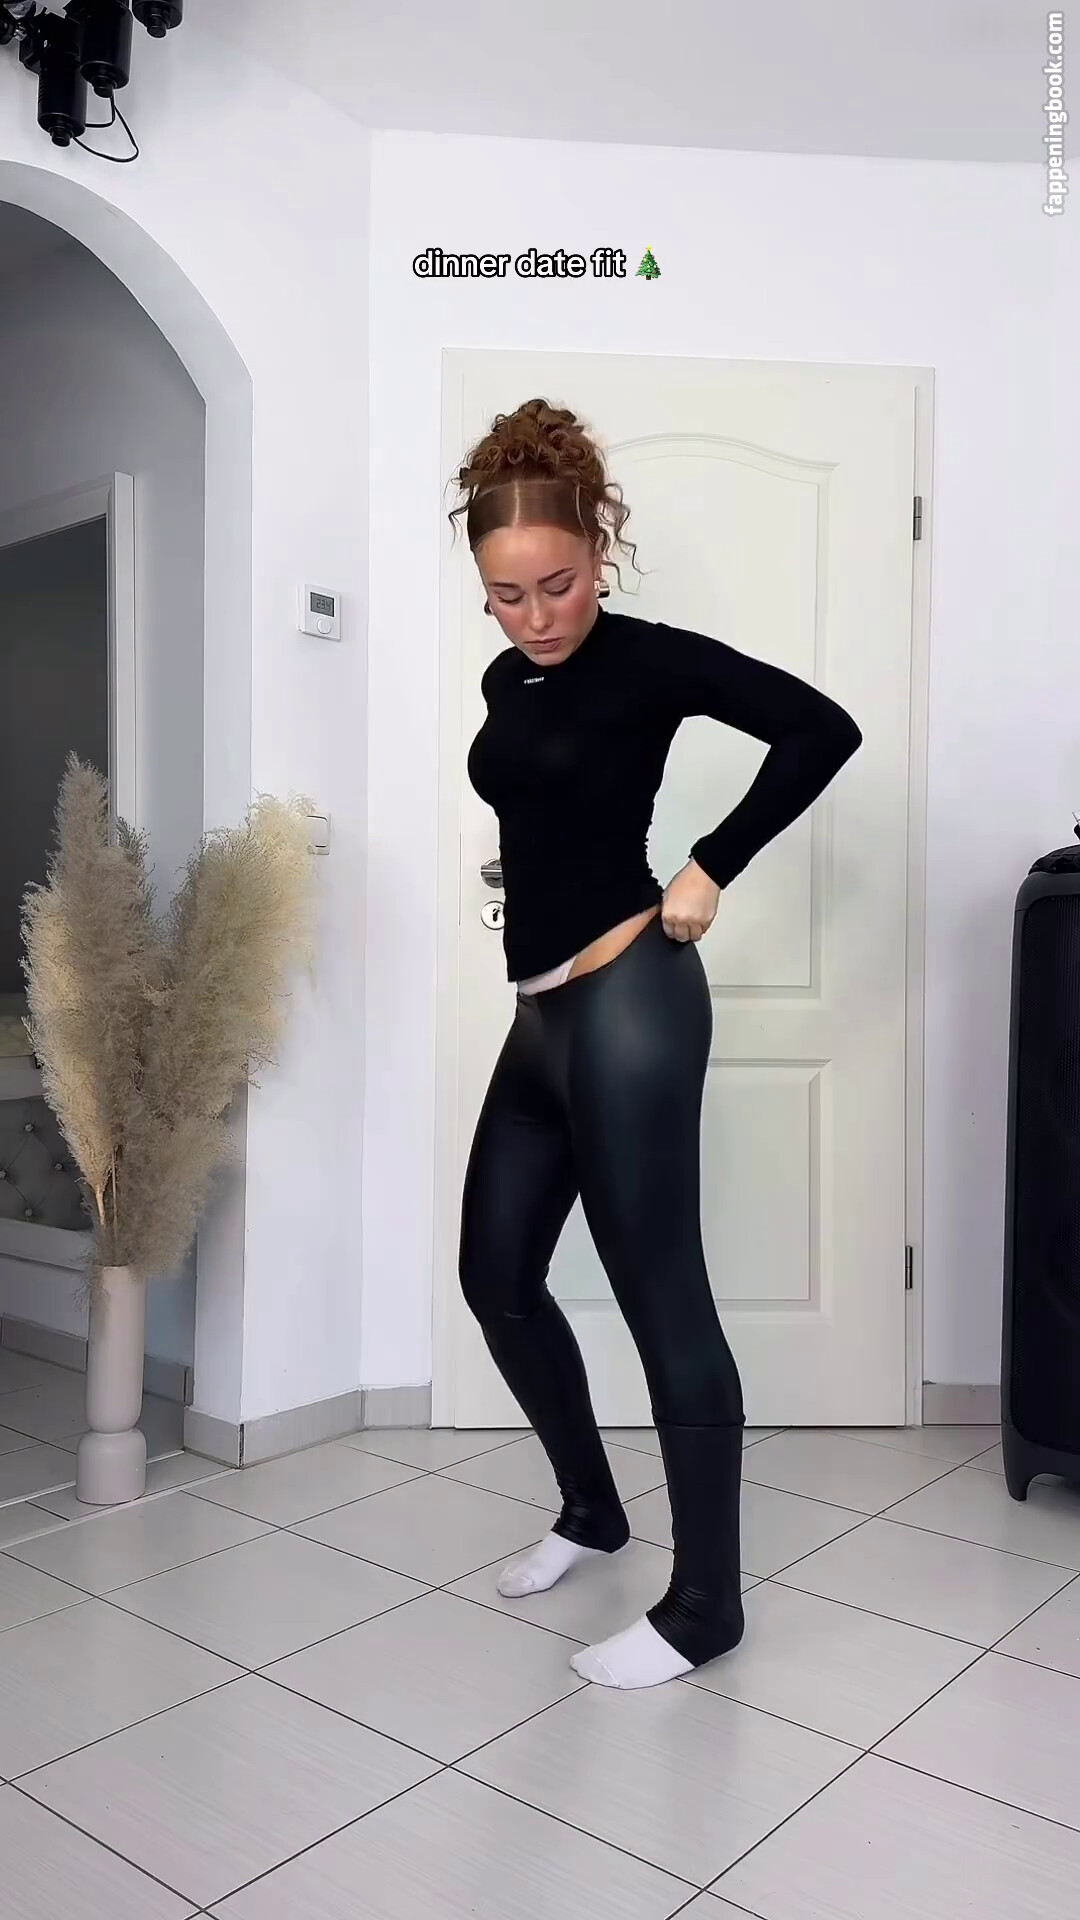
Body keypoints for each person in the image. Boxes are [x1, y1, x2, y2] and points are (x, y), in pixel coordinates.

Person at [450, 397, 862, 1690]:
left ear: (599, 551)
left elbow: (822, 729)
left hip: (630, 1001)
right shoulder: (505, 680)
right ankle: (592, 1512)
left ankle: (703, 1609)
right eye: (506, 596)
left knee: (660, 1294)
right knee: (495, 1275)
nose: (536, 617)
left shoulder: (649, 661)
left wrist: (711, 863)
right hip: (537, 1018)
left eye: (558, 585)